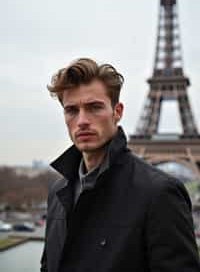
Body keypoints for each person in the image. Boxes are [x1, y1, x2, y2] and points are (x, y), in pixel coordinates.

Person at [40, 58, 200, 272]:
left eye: (94, 107)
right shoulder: (57, 192)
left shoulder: (160, 194)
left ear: (118, 112)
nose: (82, 121)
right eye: (72, 110)